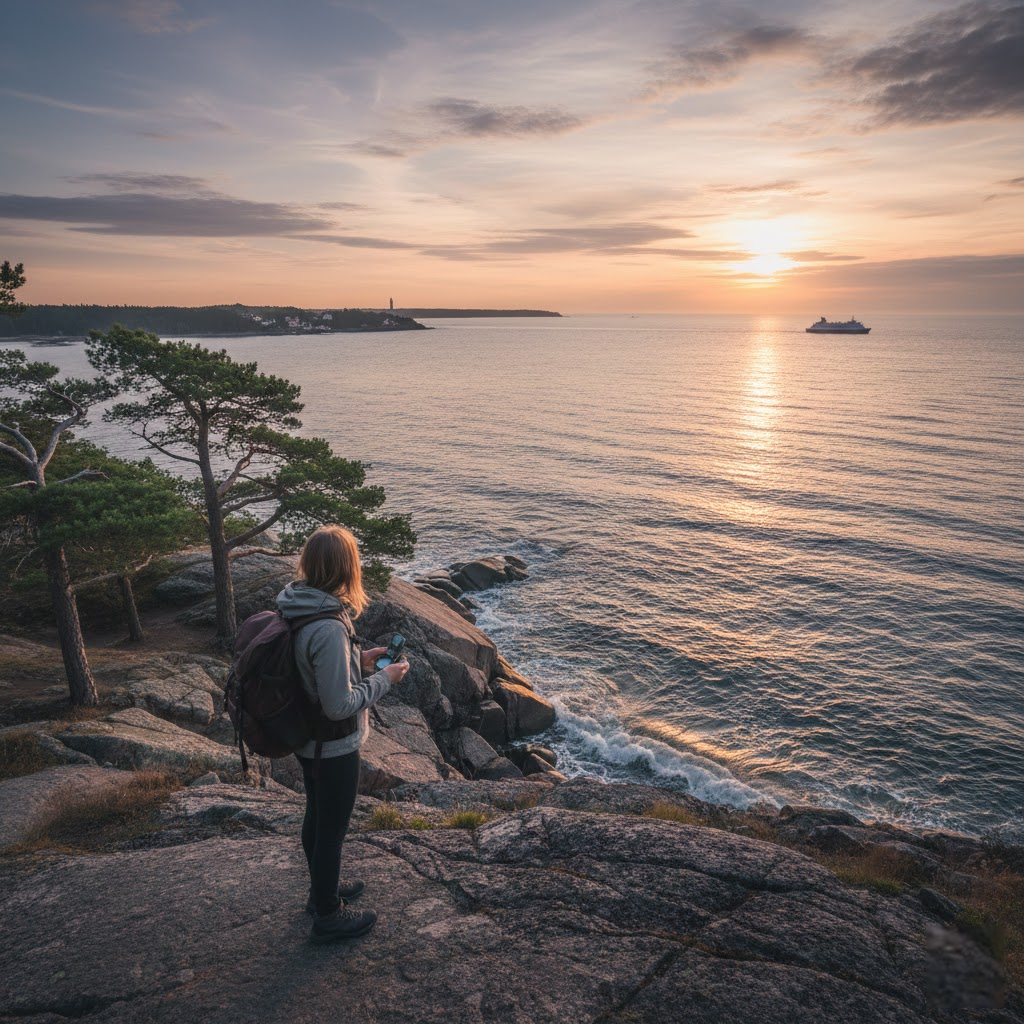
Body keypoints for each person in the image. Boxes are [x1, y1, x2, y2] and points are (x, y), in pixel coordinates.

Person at [276, 525, 409, 944]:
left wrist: (360, 658)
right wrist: (385, 677)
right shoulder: (329, 626)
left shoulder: (297, 604)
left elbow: (314, 671)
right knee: (331, 831)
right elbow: (338, 705)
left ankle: (322, 891)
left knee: (317, 815)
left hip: (306, 738)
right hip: (331, 744)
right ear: (346, 567)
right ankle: (328, 914)